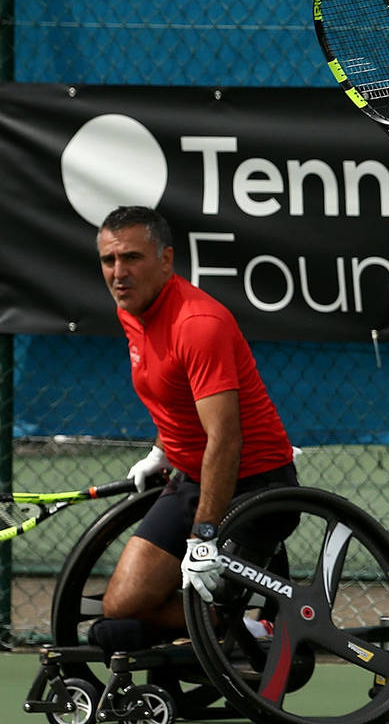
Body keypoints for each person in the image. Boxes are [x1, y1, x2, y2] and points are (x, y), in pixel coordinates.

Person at [91, 205, 297, 650]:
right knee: (121, 605)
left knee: (195, 603)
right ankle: (227, 631)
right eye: (109, 260)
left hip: (254, 489)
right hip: (190, 479)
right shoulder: (133, 311)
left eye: (131, 258)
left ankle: (238, 629)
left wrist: (203, 539)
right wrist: (162, 452)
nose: (118, 272)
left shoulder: (198, 324)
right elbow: (174, 397)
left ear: (165, 260)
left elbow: (225, 439)